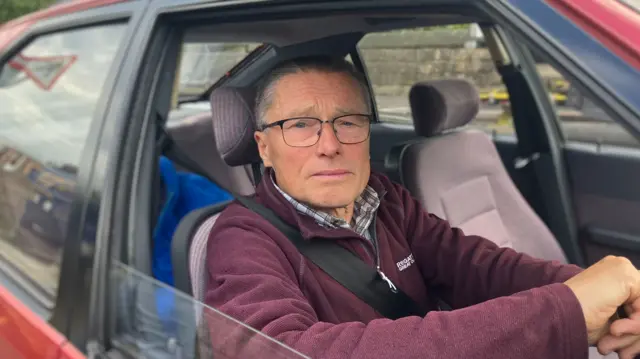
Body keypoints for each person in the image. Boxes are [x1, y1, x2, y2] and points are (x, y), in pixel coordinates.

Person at [204, 56, 640, 359]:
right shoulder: (243, 238)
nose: (330, 145)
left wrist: (600, 293)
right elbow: (286, 352)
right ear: (263, 147)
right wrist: (561, 311)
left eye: (349, 122)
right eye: (300, 125)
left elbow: (476, 265)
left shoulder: (385, 199)